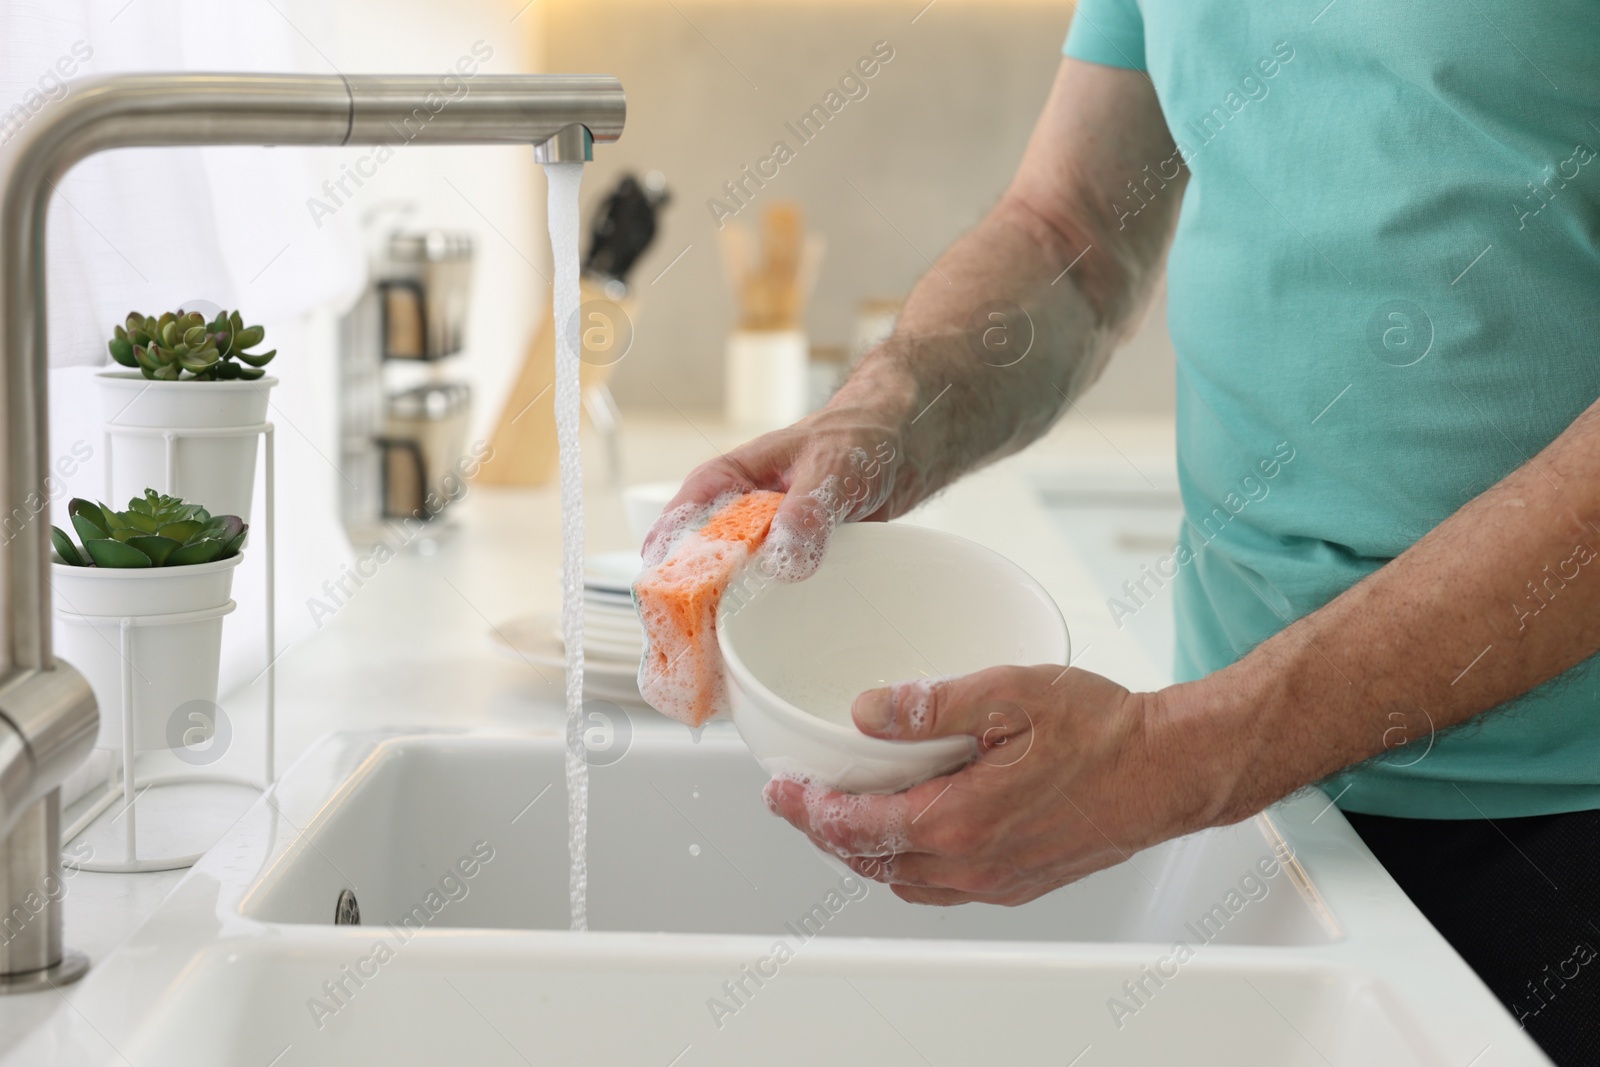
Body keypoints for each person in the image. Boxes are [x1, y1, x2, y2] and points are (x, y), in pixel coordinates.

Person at [646, 5, 1600, 1061]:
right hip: (1258, 813)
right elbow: (1073, 228)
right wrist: (883, 412)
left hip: (1558, 820)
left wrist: (1181, 753)